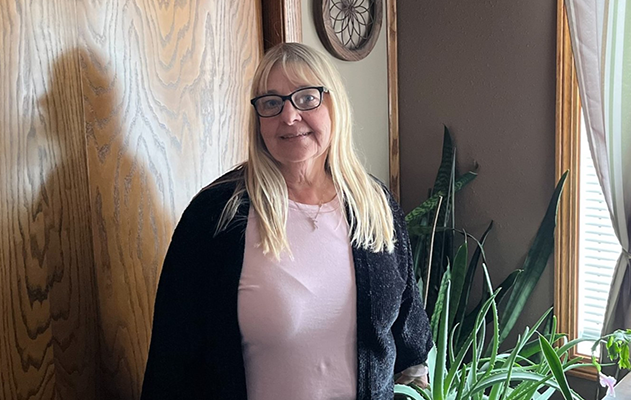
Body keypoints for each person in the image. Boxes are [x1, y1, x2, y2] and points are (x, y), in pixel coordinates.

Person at [140, 42, 432, 400]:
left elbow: (407, 329)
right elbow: (171, 360)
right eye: (271, 103)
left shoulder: (374, 204)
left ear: (334, 104)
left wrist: (416, 371)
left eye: (306, 98)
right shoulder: (216, 215)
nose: (289, 116)